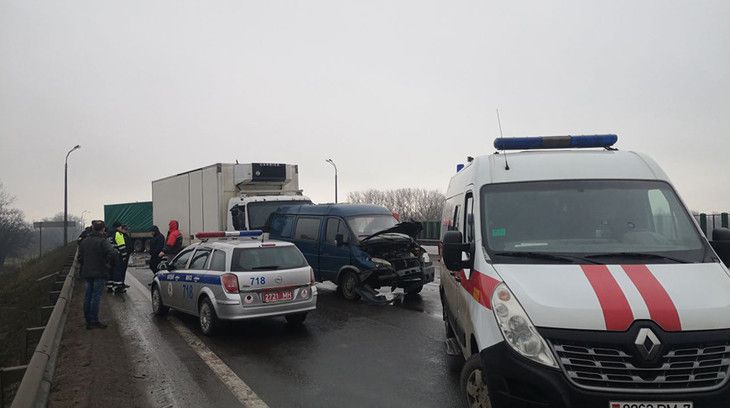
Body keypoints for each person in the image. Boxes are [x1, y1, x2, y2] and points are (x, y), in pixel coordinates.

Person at [78, 220, 118, 329]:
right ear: (102, 229)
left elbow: (80, 258)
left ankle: (88, 321)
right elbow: (113, 253)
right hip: (100, 272)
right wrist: (109, 265)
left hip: (87, 273)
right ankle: (94, 320)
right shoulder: (102, 241)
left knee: (88, 296)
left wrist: (85, 265)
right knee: (96, 297)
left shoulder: (84, 242)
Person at [109, 221, 130, 293]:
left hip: (110, 256)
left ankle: (109, 287)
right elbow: (122, 247)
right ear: (118, 227)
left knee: (110, 271)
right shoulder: (118, 234)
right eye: (121, 227)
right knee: (118, 271)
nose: (121, 228)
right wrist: (124, 256)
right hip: (118, 256)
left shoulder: (109, 234)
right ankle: (118, 288)